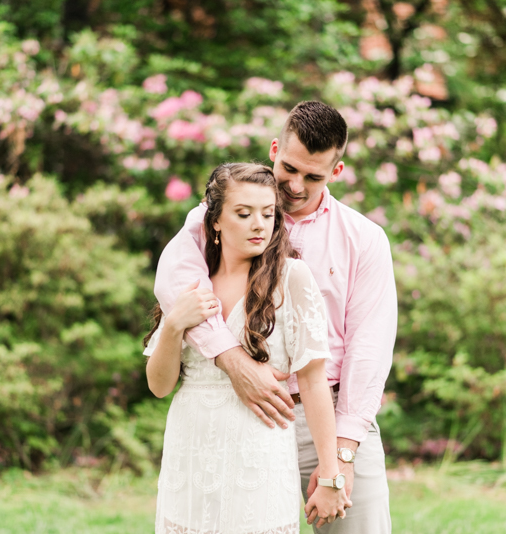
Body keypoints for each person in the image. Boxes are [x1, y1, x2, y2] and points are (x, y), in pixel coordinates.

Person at [155, 101, 397, 532]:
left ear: (336, 173)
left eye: (314, 176)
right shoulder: (226, 214)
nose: (296, 185)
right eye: (289, 168)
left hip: (333, 413)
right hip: (245, 417)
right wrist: (233, 362)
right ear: (273, 150)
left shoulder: (364, 240)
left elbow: (370, 349)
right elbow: (176, 282)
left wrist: (340, 457)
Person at [145, 163, 351, 534]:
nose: (260, 224)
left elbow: (313, 381)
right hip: (189, 454)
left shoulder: (292, 278)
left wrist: (331, 475)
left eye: (268, 213)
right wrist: (175, 323)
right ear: (216, 221)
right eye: (244, 213)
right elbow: (159, 386)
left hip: (258, 455)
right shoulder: (190, 284)